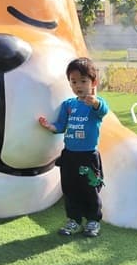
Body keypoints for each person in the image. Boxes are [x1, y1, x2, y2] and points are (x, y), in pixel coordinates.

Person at [38, 57, 109, 238]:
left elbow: (103, 110)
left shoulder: (95, 104)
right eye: (74, 81)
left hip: (88, 156)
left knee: (89, 189)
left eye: (83, 81)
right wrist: (49, 126)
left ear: (94, 82)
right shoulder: (68, 105)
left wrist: (94, 102)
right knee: (70, 189)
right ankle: (74, 220)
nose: (78, 85)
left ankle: (93, 221)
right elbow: (61, 126)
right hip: (69, 156)